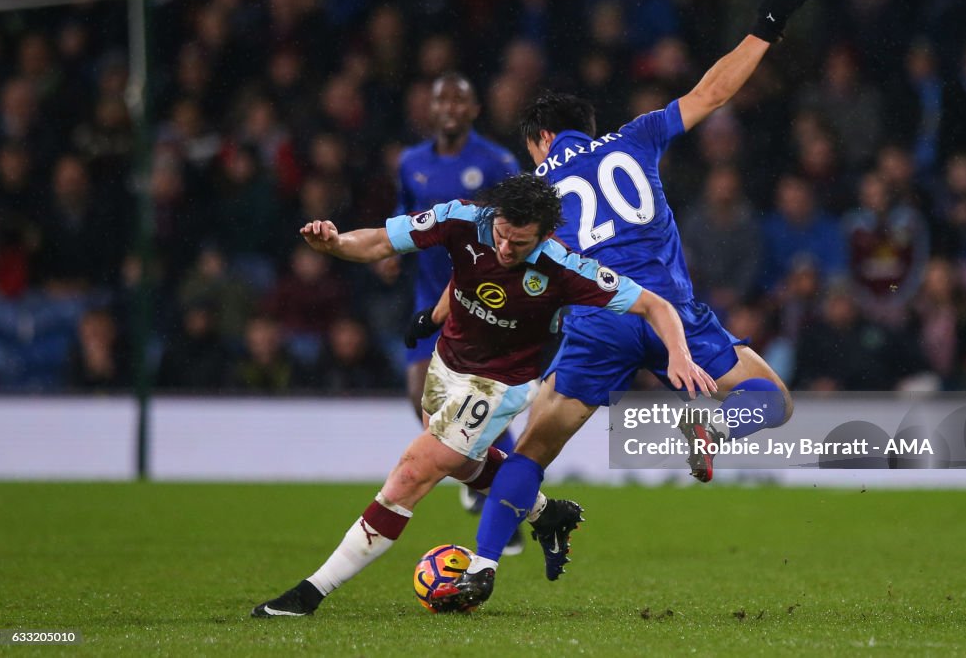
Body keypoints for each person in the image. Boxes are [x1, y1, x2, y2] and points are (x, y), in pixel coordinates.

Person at [432, 0, 809, 612]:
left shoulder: (530, 188)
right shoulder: (637, 137)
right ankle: (710, 423)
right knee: (770, 399)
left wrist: (439, 315)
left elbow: (481, 256)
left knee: (532, 451)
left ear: (539, 140)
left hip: (600, 317)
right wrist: (768, 21)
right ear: (587, 131)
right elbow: (713, 90)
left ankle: (481, 565)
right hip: (672, 319)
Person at [251, 174, 711, 617]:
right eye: (502, 235)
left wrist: (680, 355)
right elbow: (381, 241)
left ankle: (310, 593)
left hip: (500, 384)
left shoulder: (565, 267)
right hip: (448, 363)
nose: (506, 248)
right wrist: (335, 244)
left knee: (413, 473)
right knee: (459, 460)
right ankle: (545, 513)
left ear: (546, 235)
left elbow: (655, 304)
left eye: (521, 243)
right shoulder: (462, 218)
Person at [390, 72, 523, 533]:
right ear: (430, 109)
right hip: (431, 293)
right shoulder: (410, 162)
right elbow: (404, 216)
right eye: (440, 100)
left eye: (458, 101)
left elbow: (521, 221)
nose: (449, 108)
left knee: (486, 395)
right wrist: (391, 254)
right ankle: (477, 469)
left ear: (473, 111)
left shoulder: (496, 161)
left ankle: (500, 485)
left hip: (483, 297)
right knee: (418, 393)